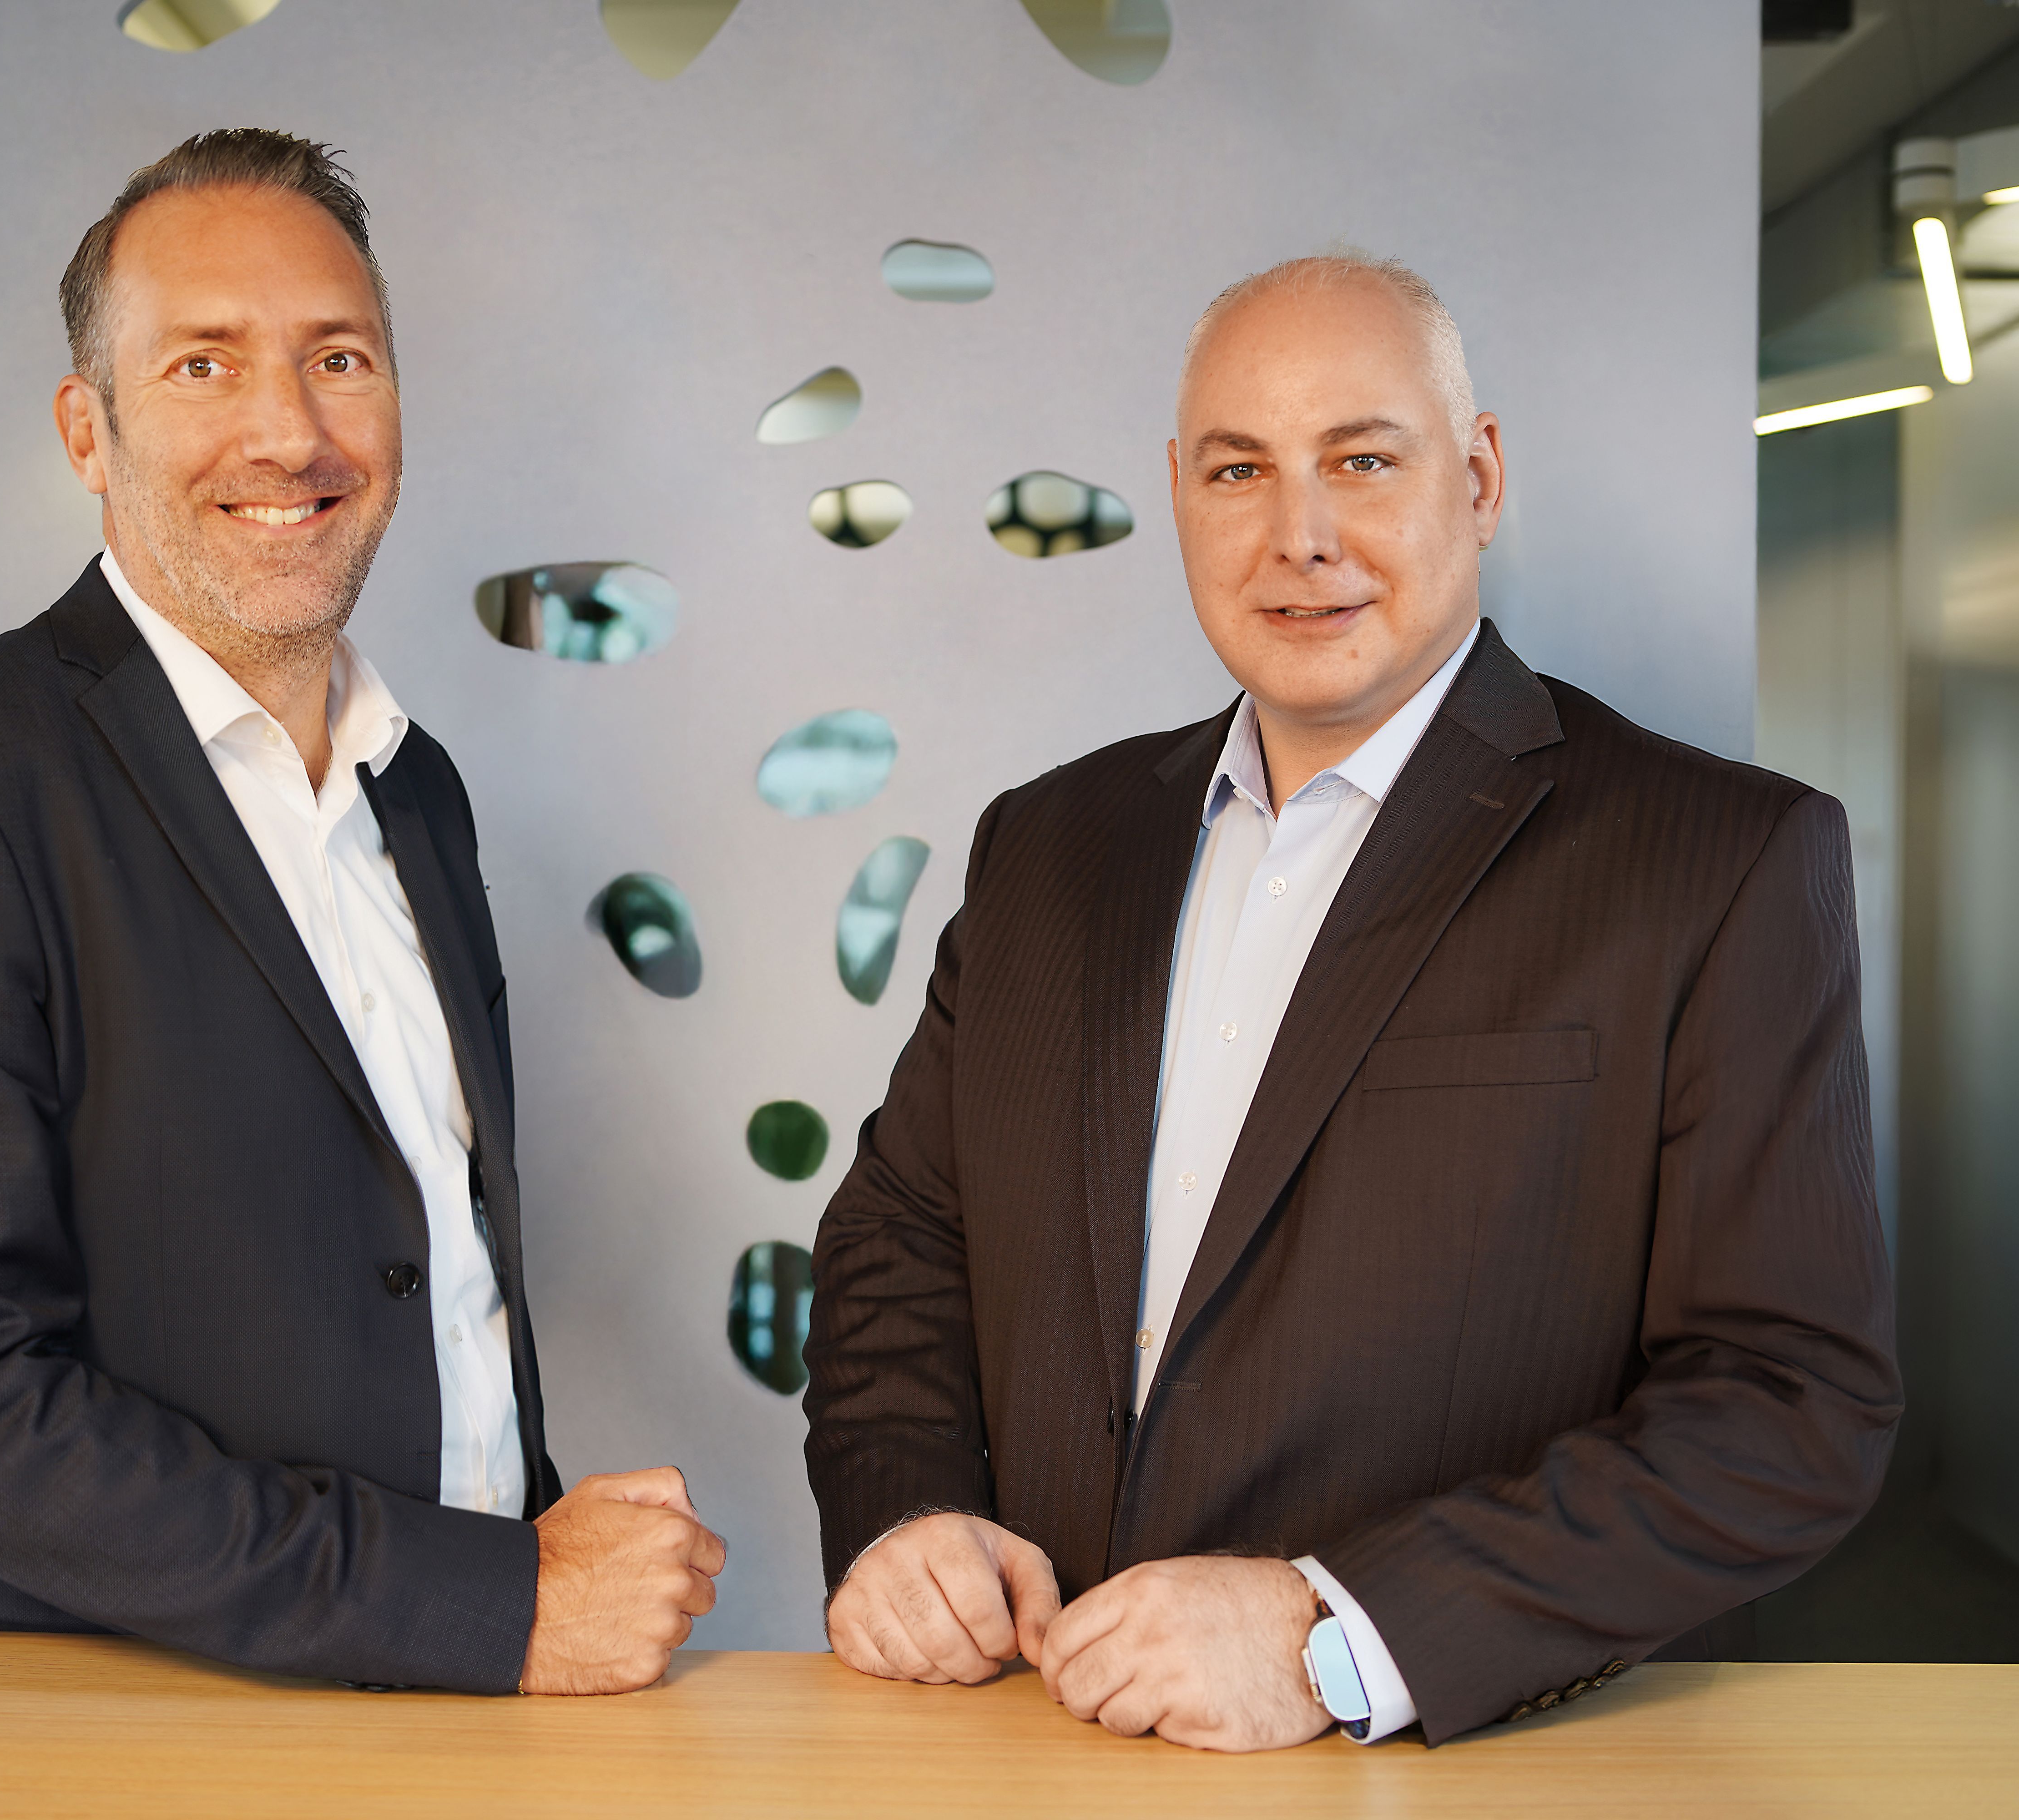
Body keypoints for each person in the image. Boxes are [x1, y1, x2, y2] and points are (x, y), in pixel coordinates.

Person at [802, 252, 1900, 1748]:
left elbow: (1788, 1405)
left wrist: (1336, 1633)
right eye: (1239, 470)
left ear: (1480, 477)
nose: (1298, 537)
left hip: (1464, 1771)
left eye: (1363, 462)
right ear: (1177, 496)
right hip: (1040, 1746)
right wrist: (907, 1512)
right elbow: (903, 1233)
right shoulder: (1048, 845)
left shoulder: (1720, 860)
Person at [0, 130, 722, 1694]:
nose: (290, 432)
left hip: (460, 1713)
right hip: (101, 1737)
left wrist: (527, 1575)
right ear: (88, 431)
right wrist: (489, 1605)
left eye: (339, 359)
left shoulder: (420, 792)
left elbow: (429, 1285)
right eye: (203, 365)